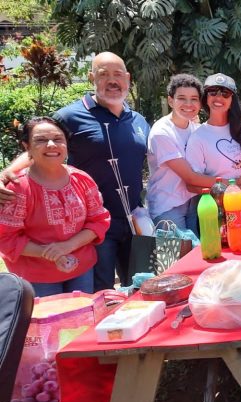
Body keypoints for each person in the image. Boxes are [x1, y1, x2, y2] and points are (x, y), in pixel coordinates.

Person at [0, 52, 149, 290]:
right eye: (104, 74)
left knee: (139, 285)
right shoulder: (70, 116)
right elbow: (42, 145)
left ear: (128, 78)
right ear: (91, 77)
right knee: (101, 291)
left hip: (134, 219)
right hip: (93, 225)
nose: (112, 81)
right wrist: (6, 173)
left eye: (118, 74)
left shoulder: (138, 121)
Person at [0, 117, 111, 296]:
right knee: (49, 315)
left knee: (81, 313)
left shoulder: (81, 179)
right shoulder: (18, 188)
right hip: (37, 276)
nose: (51, 145)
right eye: (41, 140)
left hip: (81, 269)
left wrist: (68, 246)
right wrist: (48, 252)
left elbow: (98, 221)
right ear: (27, 147)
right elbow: (6, 238)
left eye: (58, 139)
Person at [147, 74, 217, 233]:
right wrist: (230, 183)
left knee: (199, 248)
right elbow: (190, 177)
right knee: (180, 250)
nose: (188, 104)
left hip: (193, 202)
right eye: (182, 98)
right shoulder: (162, 132)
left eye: (194, 99)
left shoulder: (195, 128)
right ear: (171, 101)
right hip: (168, 207)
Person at [185, 73, 241, 224]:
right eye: (213, 92)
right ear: (206, 98)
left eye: (225, 93)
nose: (218, 97)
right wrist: (228, 186)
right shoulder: (198, 137)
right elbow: (191, 185)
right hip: (218, 210)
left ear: (232, 99)